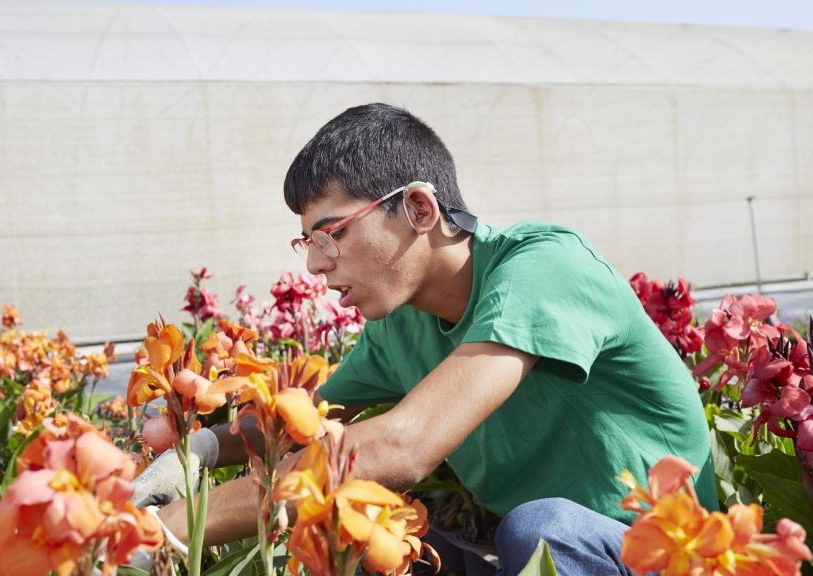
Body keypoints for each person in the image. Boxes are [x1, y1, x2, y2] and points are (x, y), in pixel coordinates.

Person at [133, 103, 716, 574]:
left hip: (668, 552)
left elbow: (402, 449)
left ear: (418, 207)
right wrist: (196, 449)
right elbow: (302, 418)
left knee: (544, 531)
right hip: (541, 553)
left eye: (330, 233)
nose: (314, 263)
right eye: (305, 242)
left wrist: (172, 526)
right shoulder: (400, 324)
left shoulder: (544, 267)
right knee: (363, 535)